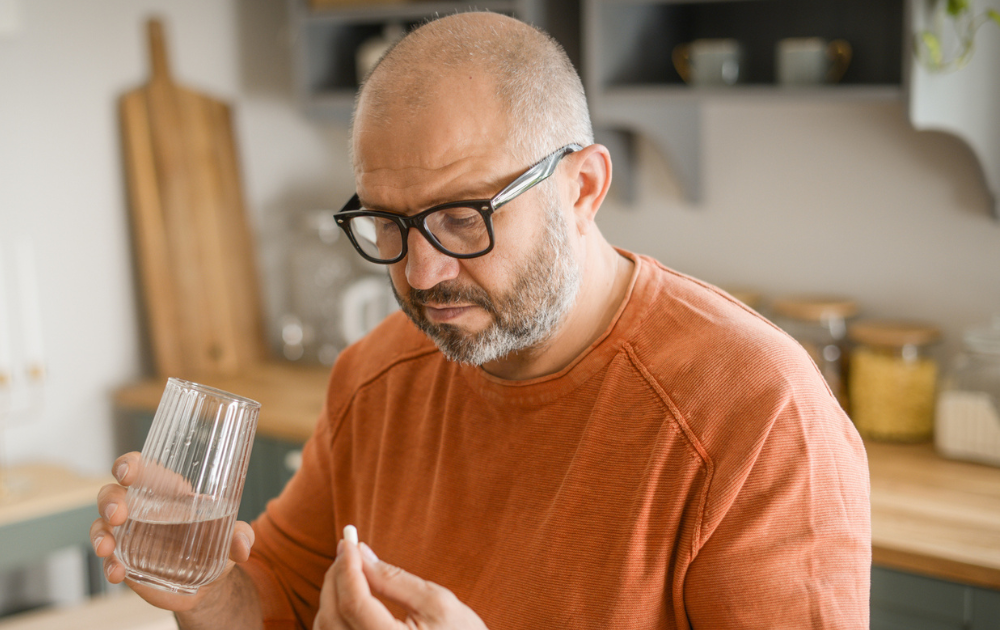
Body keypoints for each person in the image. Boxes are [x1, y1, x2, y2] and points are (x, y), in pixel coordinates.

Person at [92, 11, 870, 630]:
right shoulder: (375, 375)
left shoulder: (761, 415)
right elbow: (285, 601)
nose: (421, 274)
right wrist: (206, 594)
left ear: (583, 188)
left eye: (463, 217)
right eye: (387, 223)